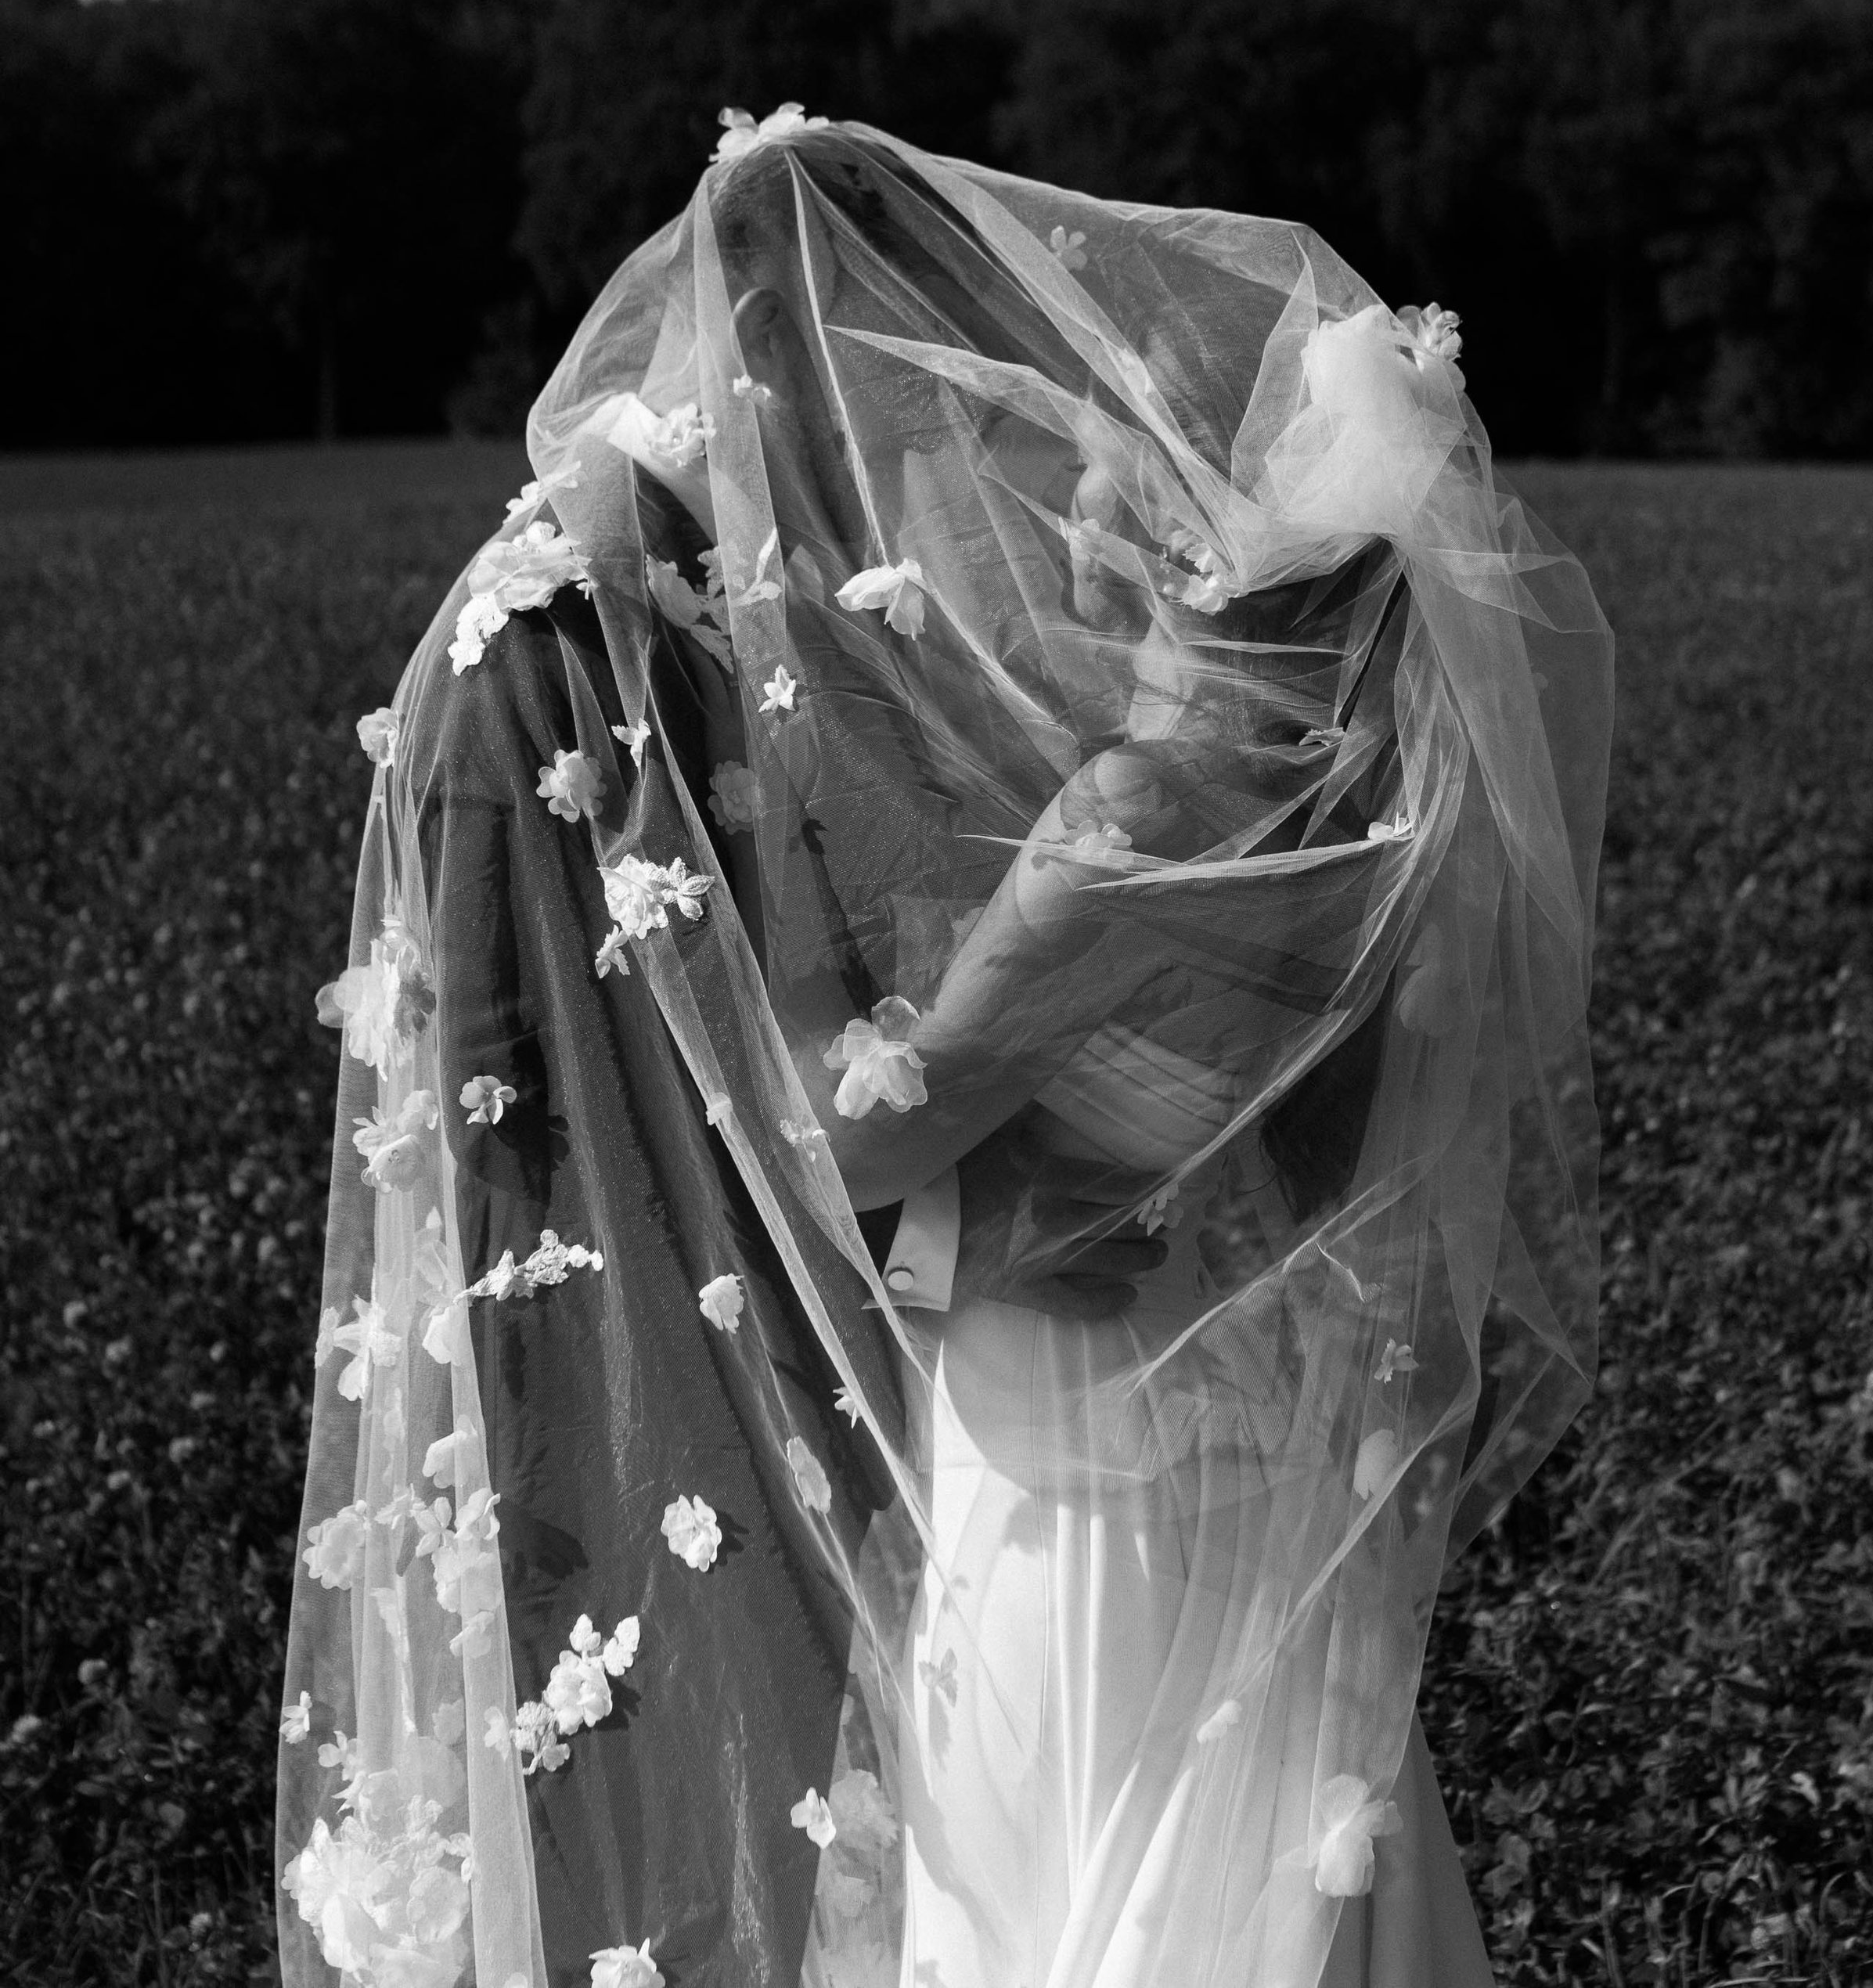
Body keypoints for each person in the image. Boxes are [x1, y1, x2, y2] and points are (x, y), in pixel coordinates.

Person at [277, 110, 1612, 1988]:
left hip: (1065, 1452)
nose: (1072, 507)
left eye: (1135, 495)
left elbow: (869, 1146)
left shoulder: (1117, 824)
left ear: (1208, 563)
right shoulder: (1364, 829)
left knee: (1040, 1889)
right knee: (1263, 1862)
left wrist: (900, 1164)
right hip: (1260, 1440)